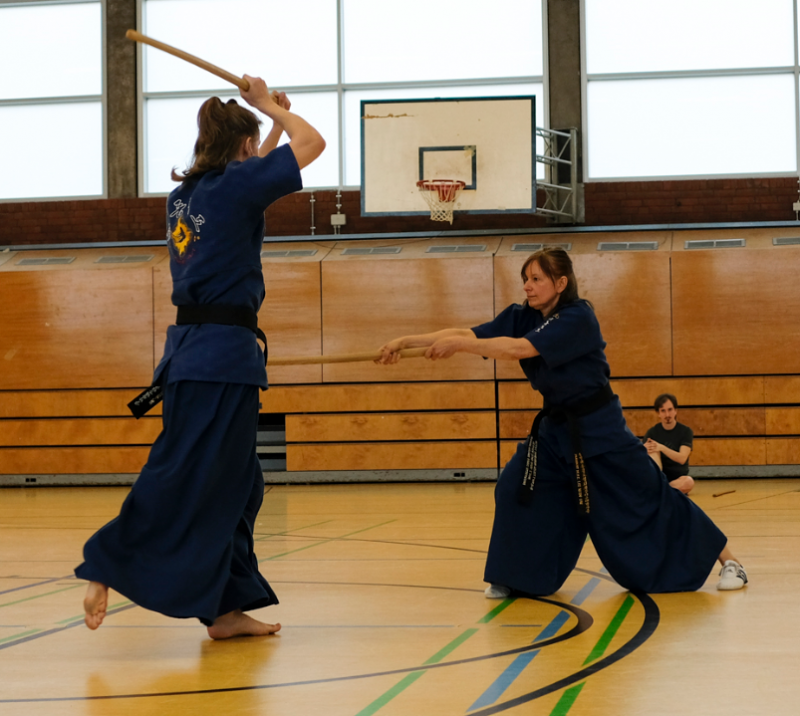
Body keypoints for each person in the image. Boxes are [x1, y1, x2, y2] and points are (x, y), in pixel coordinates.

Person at [75, 76, 325, 638]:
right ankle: (106, 563)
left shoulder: (187, 195)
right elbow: (311, 145)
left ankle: (224, 609)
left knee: (240, 484)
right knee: (182, 473)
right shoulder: (233, 188)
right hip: (219, 359)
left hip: (196, 356)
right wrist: (272, 109)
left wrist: (262, 127)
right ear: (242, 147)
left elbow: (246, 184)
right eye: (254, 144)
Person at [376, 247, 748, 596]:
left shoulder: (578, 317)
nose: (528, 285)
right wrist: (404, 341)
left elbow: (519, 349)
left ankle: (730, 562)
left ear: (561, 283)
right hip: (555, 432)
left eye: (537, 279)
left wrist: (461, 348)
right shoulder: (523, 314)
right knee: (514, 487)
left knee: (649, 493)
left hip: (599, 428)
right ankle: (514, 577)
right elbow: (466, 333)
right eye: (526, 278)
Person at [644, 393, 695, 494]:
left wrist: (662, 448)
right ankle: (661, 486)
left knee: (689, 482)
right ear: (658, 413)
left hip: (678, 479)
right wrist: (643, 449)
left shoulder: (686, 431)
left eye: (670, 410)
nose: (667, 415)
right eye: (663, 411)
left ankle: (661, 489)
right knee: (651, 449)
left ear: (676, 411)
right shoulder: (652, 432)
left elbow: (682, 458)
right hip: (658, 475)